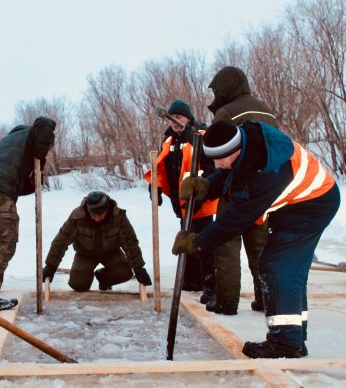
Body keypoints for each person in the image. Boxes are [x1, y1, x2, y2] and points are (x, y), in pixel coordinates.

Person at [172, 120, 340, 358]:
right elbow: (233, 171)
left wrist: (198, 242)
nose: (217, 165)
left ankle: (285, 343)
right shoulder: (247, 142)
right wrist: (207, 186)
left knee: (278, 266)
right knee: (285, 268)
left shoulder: (266, 171)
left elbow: (235, 220)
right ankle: (294, 337)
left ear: (235, 151)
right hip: (297, 203)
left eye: (220, 160)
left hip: (312, 205)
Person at [205, 66, 279, 315]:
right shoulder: (265, 108)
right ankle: (265, 299)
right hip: (265, 191)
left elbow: (219, 153)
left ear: (225, 88)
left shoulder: (227, 112)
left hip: (234, 189)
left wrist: (210, 183)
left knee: (226, 245)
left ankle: (227, 302)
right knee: (260, 247)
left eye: (216, 90)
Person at [144, 100, 217, 304]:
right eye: (172, 117)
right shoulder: (168, 140)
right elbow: (159, 166)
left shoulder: (200, 136)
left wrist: (203, 192)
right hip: (181, 202)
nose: (175, 121)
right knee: (186, 238)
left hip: (200, 199)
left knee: (204, 240)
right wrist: (155, 188)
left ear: (188, 118)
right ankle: (191, 280)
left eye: (179, 117)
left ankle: (210, 285)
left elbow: (211, 163)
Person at [0, 117, 56, 310]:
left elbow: (17, 183)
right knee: (6, 241)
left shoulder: (9, 143)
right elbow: (45, 123)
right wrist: (41, 156)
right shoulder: (33, 134)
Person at [42, 191, 152, 291]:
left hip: (111, 253)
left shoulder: (118, 217)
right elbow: (60, 242)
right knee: (78, 285)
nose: (96, 218)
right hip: (85, 254)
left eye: (100, 215)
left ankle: (104, 279)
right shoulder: (77, 217)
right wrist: (50, 266)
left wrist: (138, 268)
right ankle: (86, 275)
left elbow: (130, 243)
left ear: (107, 209)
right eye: (93, 214)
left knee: (125, 273)